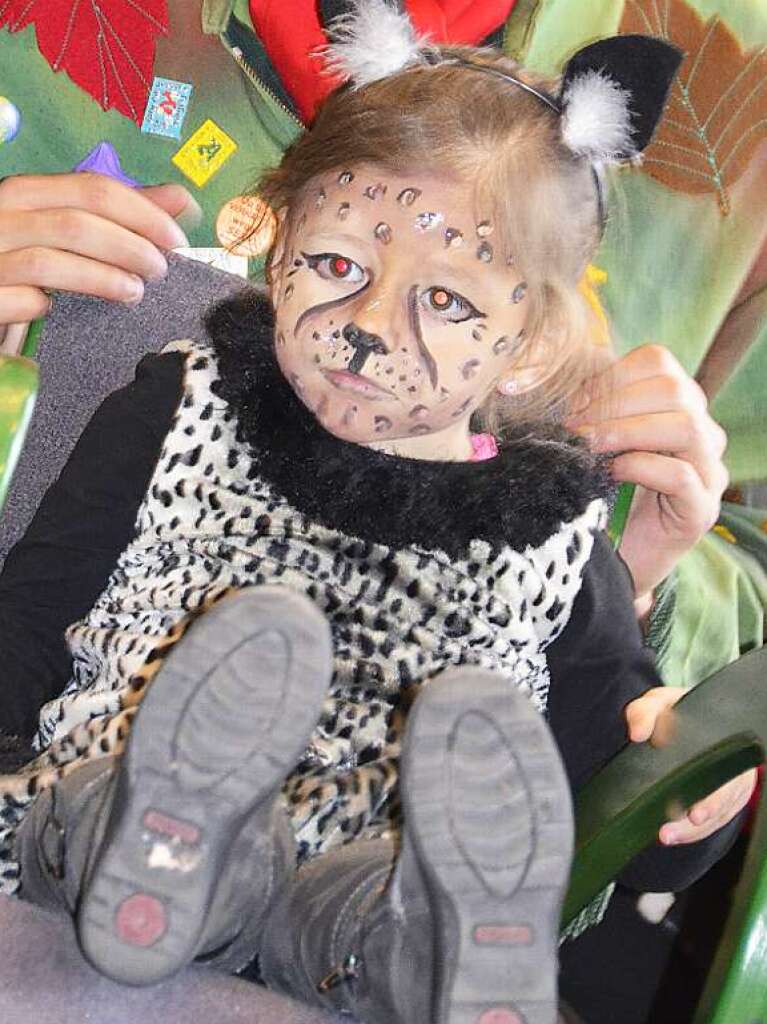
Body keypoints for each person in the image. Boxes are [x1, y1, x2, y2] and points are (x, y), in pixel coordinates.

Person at [0, 13, 756, 1021]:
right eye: (339, 266)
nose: (365, 328)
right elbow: (30, 625)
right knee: (100, 812)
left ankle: (452, 944)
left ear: (528, 343)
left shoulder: (554, 539)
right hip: (99, 829)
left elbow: (609, 783)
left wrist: (682, 786)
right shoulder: (178, 406)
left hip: (348, 906)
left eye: (444, 301)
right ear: (275, 246)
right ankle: (174, 834)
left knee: (389, 910)